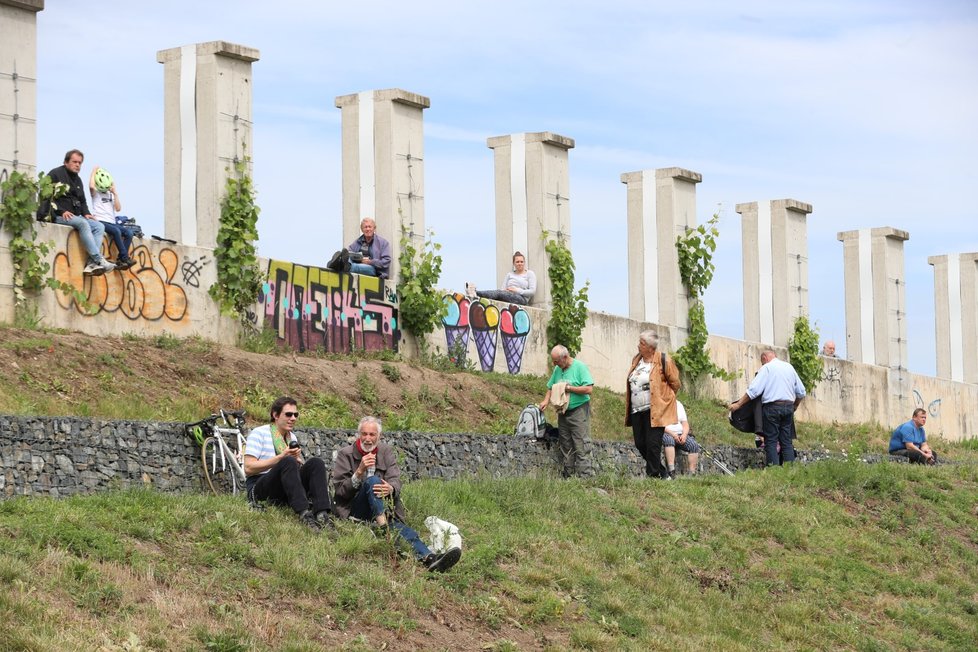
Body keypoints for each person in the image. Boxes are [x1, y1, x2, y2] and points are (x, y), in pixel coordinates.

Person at [332, 416, 462, 572]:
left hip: (380, 511)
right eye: (364, 434)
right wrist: (359, 472)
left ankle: (430, 559)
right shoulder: (345, 454)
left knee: (404, 531)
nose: (367, 438)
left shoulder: (385, 452)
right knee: (373, 481)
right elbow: (340, 491)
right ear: (358, 435)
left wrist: (391, 489)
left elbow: (395, 480)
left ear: (378, 437)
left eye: (372, 434)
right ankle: (384, 530)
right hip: (355, 510)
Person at [244, 396, 337, 534]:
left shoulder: (291, 437)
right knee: (287, 461)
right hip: (260, 486)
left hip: (283, 489)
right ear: (275, 415)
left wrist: (298, 463)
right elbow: (248, 468)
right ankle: (304, 514)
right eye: (288, 414)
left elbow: (291, 471)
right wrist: (282, 457)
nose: (293, 418)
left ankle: (322, 514)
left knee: (316, 463)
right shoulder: (259, 433)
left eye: (295, 415)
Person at [41, 149, 116, 276]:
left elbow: (82, 201)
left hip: (75, 215)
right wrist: (61, 211)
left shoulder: (78, 180)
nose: (77, 165)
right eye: (74, 162)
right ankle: (99, 260)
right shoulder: (55, 174)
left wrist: (86, 213)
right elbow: (45, 196)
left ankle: (91, 264)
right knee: (83, 223)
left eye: (80, 163)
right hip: (58, 216)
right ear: (66, 162)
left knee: (99, 226)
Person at [729, 349, 806, 466]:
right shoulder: (789, 367)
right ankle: (791, 472)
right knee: (786, 442)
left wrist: (738, 404)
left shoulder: (767, 368)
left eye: (762, 362)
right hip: (788, 407)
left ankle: (774, 472)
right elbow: (801, 392)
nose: (762, 364)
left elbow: (754, 391)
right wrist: (795, 405)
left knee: (771, 441)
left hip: (772, 408)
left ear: (765, 358)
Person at [624, 330, 681, 478]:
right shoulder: (636, 360)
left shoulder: (663, 360)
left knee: (653, 444)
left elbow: (675, 383)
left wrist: (664, 401)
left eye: (642, 343)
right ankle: (663, 473)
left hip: (655, 410)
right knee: (640, 444)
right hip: (637, 409)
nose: (638, 346)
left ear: (651, 348)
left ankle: (653, 476)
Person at [539, 345, 594, 478]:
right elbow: (550, 386)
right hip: (563, 411)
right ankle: (568, 476)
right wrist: (546, 400)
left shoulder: (580, 367)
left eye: (556, 361)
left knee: (580, 443)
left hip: (579, 410)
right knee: (565, 443)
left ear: (564, 357)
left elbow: (588, 389)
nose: (554, 364)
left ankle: (584, 477)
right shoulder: (558, 369)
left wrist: (569, 388)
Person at [88, 166, 134, 270]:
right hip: (100, 221)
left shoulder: (110, 194)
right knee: (116, 231)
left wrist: (115, 193)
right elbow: (91, 186)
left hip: (112, 222)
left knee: (129, 233)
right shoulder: (96, 193)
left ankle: (121, 258)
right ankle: (125, 257)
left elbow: (118, 208)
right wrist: (93, 171)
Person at [468, 251, 537, 305]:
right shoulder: (510, 274)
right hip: (507, 295)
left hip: (521, 298)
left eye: (521, 262)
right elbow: (502, 289)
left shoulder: (529, 273)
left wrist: (517, 290)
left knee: (498, 293)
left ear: (524, 263)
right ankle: (474, 294)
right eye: (517, 262)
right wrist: (506, 292)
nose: (520, 263)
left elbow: (532, 291)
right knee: (498, 295)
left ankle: (476, 293)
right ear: (514, 263)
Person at [662, 399, 701, 478]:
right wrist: (673, 434)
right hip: (666, 432)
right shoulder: (660, 403)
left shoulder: (679, 404)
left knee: (693, 445)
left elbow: (685, 423)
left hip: (680, 433)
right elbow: (658, 424)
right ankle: (671, 471)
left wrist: (684, 434)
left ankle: (692, 473)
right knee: (669, 441)